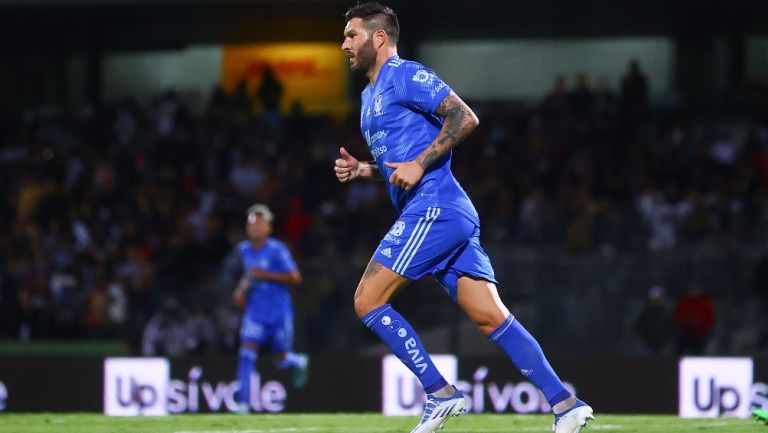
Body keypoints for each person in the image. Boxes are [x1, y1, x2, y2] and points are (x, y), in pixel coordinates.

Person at [335, 3, 594, 433]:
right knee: (491, 317)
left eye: (351, 35)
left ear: (379, 38)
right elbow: (396, 159)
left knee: (367, 299)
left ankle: (439, 392)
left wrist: (419, 163)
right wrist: (364, 169)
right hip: (442, 214)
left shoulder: (405, 74)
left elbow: (463, 116)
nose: (344, 44)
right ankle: (566, 404)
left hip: (434, 206)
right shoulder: (367, 97)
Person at [232, 204, 308, 413]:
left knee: (280, 359)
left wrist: (264, 275)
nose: (254, 226)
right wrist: (240, 290)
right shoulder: (244, 249)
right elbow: (250, 273)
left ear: (268, 227)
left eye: (259, 222)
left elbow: (295, 277)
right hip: (255, 311)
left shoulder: (277, 249)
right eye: (251, 223)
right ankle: (243, 403)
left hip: (279, 313)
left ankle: (297, 361)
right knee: (246, 353)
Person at [673, 283, 716, 355]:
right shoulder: (683, 301)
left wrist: (702, 327)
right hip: (685, 333)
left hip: (700, 334)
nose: (694, 292)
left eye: (696, 290)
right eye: (692, 290)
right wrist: (685, 323)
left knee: (699, 354)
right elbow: (677, 316)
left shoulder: (706, 302)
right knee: (679, 352)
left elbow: (710, 318)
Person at [633, 285, 674, 354]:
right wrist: (646, 338)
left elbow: (672, 328)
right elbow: (638, 326)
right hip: (648, 344)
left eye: (659, 298)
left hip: (663, 345)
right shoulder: (646, 313)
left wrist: (666, 339)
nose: (657, 300)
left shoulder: (667, 314)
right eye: (655, 299)